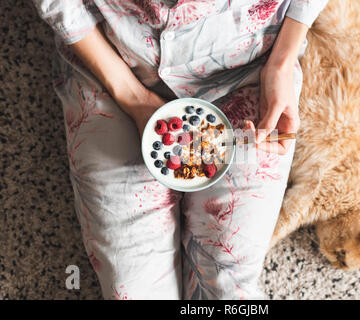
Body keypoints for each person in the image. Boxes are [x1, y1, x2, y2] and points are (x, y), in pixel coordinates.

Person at [32, 0, 328, 299]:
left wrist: (282, 62)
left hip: (249, 67)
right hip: (114, 61)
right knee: (133, 292)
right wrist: (131, 96)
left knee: (230, 292)